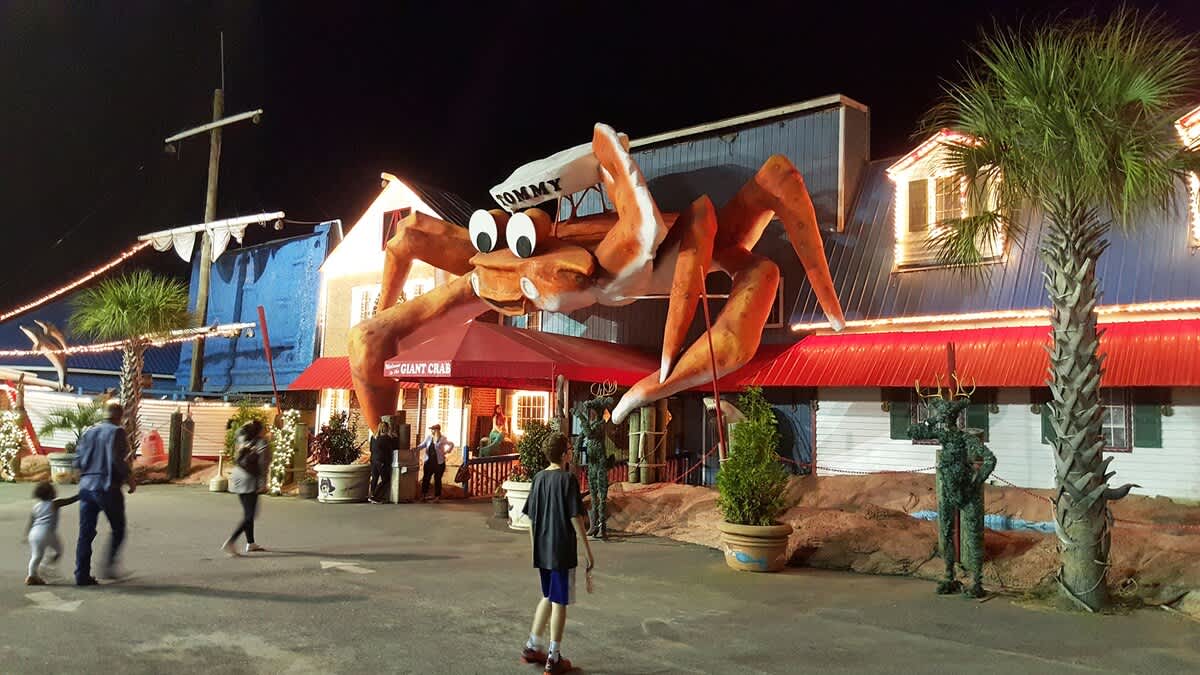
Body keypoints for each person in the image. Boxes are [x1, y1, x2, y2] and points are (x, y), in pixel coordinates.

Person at [520, 432, 594, 674]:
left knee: (548, 596)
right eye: (569, 448)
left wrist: (535, 547)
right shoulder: (567, 479)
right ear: (564, 454)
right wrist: (588, 551)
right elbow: (575, 517)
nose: (571, 452)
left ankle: (532, 645)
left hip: (542, 549)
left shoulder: (538, 478)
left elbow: (531, 518)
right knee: (560, 601)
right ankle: (554, 656)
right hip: (561, 550)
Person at [73, 401, 136, 586]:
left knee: (85, 533)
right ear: (120, 416)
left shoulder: (89, 431)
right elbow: (117, 460)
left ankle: (81, 574)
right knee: (119, 529)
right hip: (107, 487)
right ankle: (108, 566)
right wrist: (130, 478)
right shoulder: (117, 432)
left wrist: (81, 478)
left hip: (86, 488)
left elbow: (77, 460)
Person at [222, 420, 270, 556]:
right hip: (249, 479)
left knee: (248, 512)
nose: (266, 430)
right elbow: (263, 465)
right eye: (264, 428)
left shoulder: (243, 438)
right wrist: (262, 484)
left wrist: (246, 425)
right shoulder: (262, 443)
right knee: (250, 515)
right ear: (259, 431)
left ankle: (251, 543)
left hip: (237, 475)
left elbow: (238, 431)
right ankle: (231, 541)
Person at [21, 481, 79, 585]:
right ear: (49, 494)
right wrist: (82, 494)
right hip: (47, 532)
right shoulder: (55, 503)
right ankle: (45, 567)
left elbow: (31, 521)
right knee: (58, 551)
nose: (56, 491)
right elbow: (70, 500)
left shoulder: (36, 506)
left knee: (36, 556)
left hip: (33, 533)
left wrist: (26, 534)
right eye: (53, 490)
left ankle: (31, 576)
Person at [415, 423, 453, 502]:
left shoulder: (442, 438)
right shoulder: (429, 438)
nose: (431, 431)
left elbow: (451, 444)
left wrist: (447, 451)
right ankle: (423, 495)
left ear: (437, 430)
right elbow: (423, 445)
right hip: (429, 462)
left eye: (433, 429)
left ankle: (437, 497)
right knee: (426, 479)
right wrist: (416, 449)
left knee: (437, 479)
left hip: (439, 463)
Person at [369, 421, 397, 504]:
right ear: (387, 428)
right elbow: (395, 447)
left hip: (373, 460)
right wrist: (395, 437)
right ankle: (375, 496)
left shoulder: (373, 437)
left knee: (375, 478)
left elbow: (370, 449)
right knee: (386, 479)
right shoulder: (386, 438)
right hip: (382, 461)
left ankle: (371, 495)